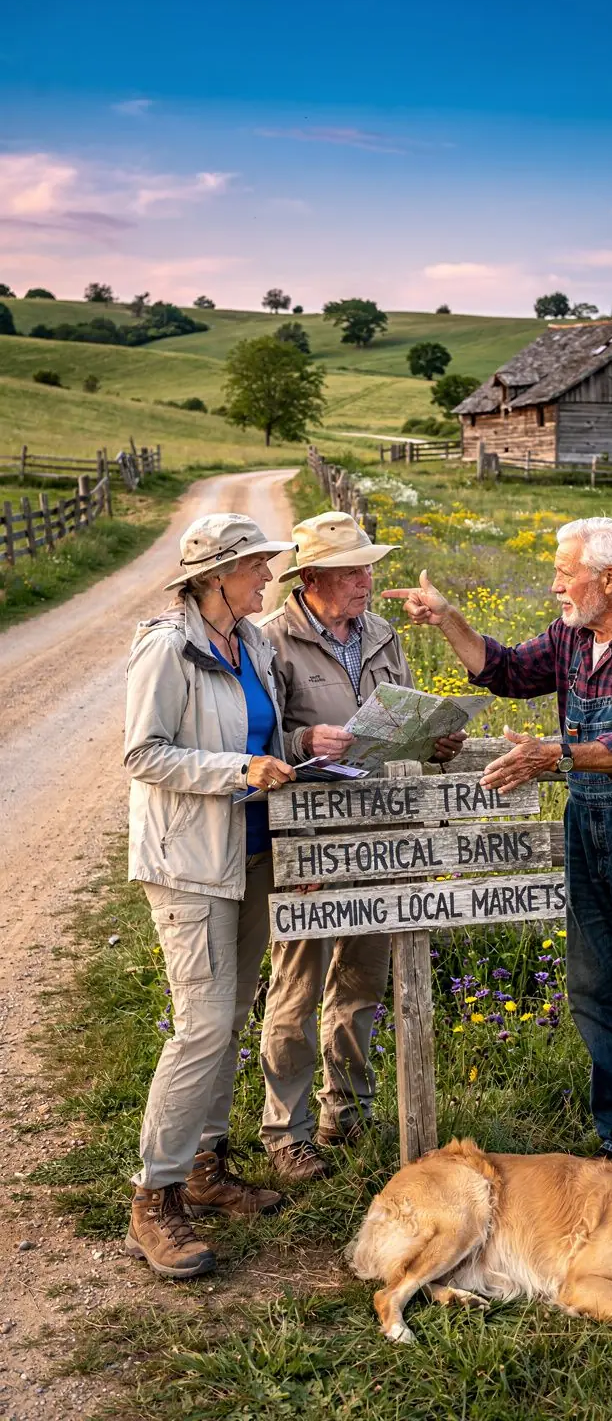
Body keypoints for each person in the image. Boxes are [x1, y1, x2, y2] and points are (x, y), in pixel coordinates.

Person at [384, 516, 612, 1190]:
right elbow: (504, 670)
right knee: (597, 992)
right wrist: (449, 618)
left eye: (564, 575)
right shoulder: (572, 637)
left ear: (607, 579)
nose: (554, 587)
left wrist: (555, 755)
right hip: (590, 822)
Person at [258, 510, 465, 1181]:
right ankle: (284, 1133)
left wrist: (434, 740)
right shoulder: (271, 643)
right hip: (310, 841)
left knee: (362, 982)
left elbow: (396, 719)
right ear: (312, 578)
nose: (366, 581)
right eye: (352, 571)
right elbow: (252, 746)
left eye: (369, 567)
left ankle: (344, 1110)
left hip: (380, 834)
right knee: (297, 985)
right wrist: (300, 744)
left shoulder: (380, 634)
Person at [123, 513, 296, 1279]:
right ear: (217, 576)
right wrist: (237, 771)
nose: (266, 578)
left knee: (229, 1016)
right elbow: (143, 753)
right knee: (199, 1025)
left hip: (250, 854)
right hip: (190, 862)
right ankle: (153, 1200)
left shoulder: (251, 642)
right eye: (257, 566)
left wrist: (293, 758)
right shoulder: (169, 647)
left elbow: (264, 736)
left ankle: (206, 1168)